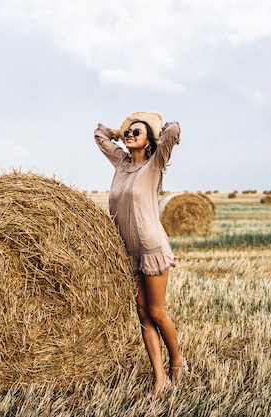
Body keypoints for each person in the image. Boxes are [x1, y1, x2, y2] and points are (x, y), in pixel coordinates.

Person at [94, 111, 186, 395]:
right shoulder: (121, 165)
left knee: (157, 312)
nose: (131, 134)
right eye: (129, 132)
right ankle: (159, 377)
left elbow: (173, 131)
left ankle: (178, 361)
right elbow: (98, 136)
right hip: (127, 252)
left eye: (137, 132)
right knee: (143, 314)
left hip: (152, 247)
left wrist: (155, 131)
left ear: (149, 142)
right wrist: (118, 133)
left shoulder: (155, 164)